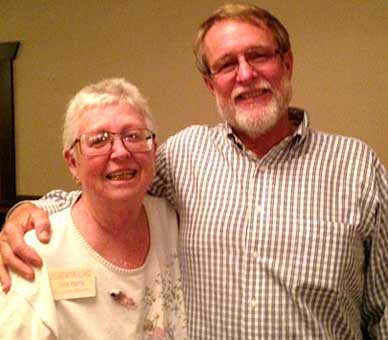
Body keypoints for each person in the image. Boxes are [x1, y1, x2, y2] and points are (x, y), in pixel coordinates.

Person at [1, 3, 388, 339]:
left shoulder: (357, 167)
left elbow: (382, 311)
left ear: (286, 62)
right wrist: (23, 213)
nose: (245, 75)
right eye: (226, 65)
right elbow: (115, 185)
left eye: (258, 56)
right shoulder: (186, 154)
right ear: (210, 83)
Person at [0, 78, 186, 339]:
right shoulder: (33, 257)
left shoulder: (174, 221)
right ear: (73, 163)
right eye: (99, 140)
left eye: (133, 136)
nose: (120, 152)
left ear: (153, 150)